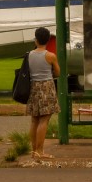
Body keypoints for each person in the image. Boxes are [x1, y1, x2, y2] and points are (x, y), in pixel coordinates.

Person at [26, 27, 60, 161]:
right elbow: (57, 73)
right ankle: (40, 151)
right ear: (48, 40)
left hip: (33, 87)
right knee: (44, 120)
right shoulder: (50, 56)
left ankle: (33, 150)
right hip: (46, 86)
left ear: (36, 39)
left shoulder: (29, 55)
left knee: (34, 120)